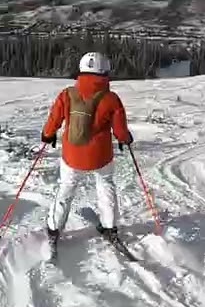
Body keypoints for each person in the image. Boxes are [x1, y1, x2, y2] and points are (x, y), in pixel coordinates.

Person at [40, 52, 134, 242]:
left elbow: (54, 119)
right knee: (105, 184)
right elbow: (120, 130)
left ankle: (54, 228)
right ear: (105, 71)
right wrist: (126, 139)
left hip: (72, 155)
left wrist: (48, 134)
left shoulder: (67, 94)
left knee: (66, 187)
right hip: (101, 156)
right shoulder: (111, 98)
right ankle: (109, 227)